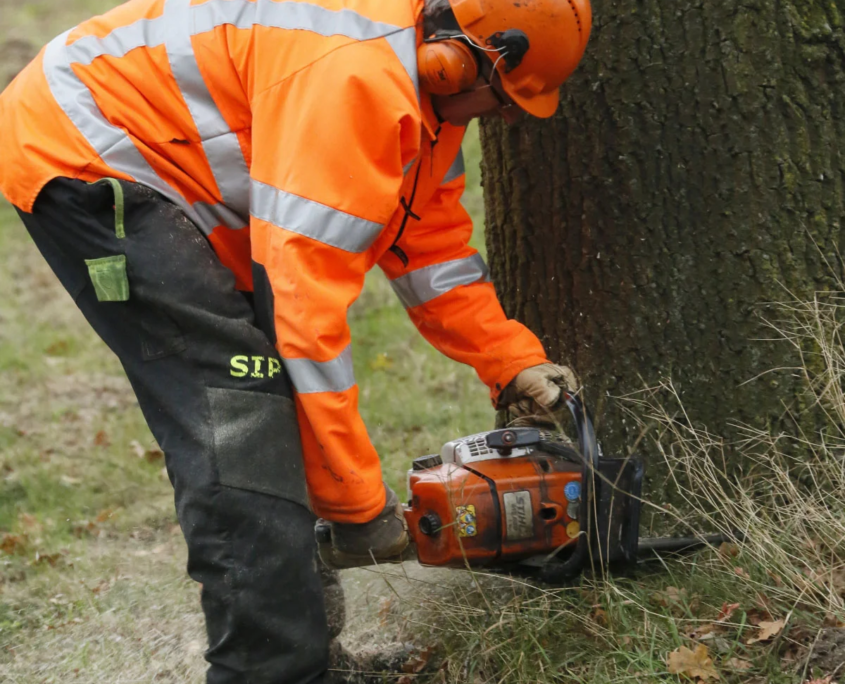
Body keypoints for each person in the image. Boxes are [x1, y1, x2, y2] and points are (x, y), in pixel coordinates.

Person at [0, 0, 591, 680]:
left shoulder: (421, 96)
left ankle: (312, 658)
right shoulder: (354, 78)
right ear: (453, 59)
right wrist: (356, 504)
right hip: (85, 147)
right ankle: (271, 671)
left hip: (170, 164)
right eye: (504, 98)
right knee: (238, 407)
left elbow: (426, 244)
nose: (507, 117)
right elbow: (303, 313)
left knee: (262, 393)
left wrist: (510, 359)